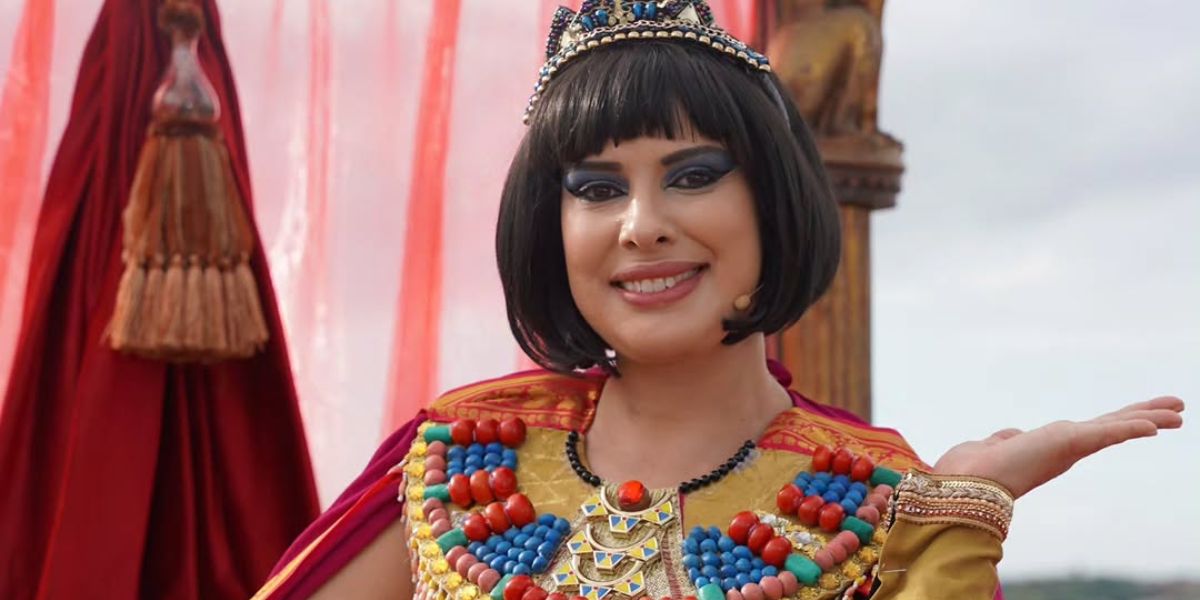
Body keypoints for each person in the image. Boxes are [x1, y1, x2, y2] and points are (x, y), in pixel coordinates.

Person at [253, 2, 1185, 599]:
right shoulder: (458, 454)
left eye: (692, 176)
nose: (642, 226)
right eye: (597, 189)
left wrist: (959, 519)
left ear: (774, 203)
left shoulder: (884, 500)